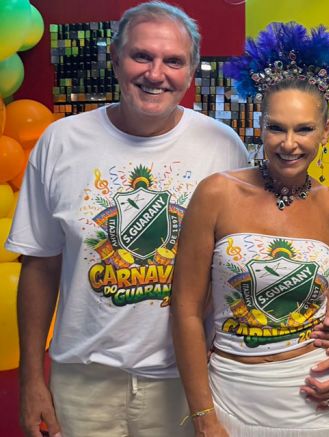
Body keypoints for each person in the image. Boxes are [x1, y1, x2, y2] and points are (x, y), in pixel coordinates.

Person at [5, 2, 248, 436]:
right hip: (82, 379)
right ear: (116, 59)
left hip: (187, 381)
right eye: (142, 56)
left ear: (191, 71)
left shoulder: (223, 146)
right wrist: (31, 379)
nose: (156, 74)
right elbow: (40, 264)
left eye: (173, 61)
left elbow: (243, 261)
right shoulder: (61, 141)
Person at [170, 22, 329, 436]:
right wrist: (203, 417)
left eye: (304, 129)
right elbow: (185, 310)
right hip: (231, 397)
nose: (289, 144)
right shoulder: (216, 193)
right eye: (277, 127)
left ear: (326, 130)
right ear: (260, 124)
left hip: (320, 402)